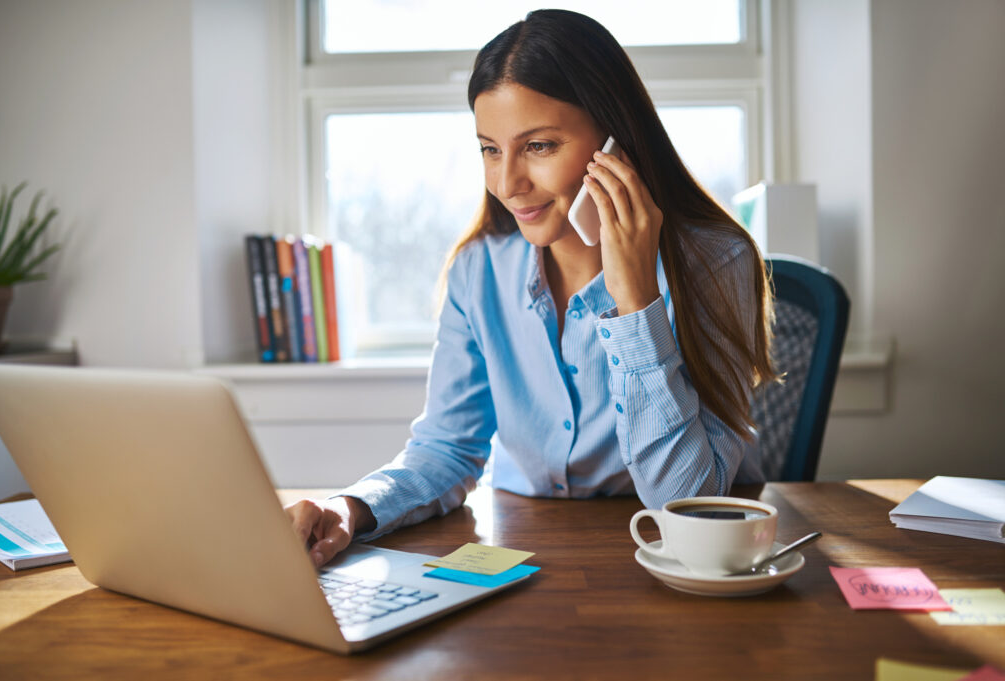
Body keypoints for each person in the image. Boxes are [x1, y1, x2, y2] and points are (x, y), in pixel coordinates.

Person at [286, 9, 776, 567]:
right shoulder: (479, 269)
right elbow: (448, 448)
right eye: (490, 149)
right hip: (524, 555)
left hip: (672, 566)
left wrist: (636, 301)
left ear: (616, 141)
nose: (507, 183)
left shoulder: (714, 262)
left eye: (539, 146)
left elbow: (685, 504)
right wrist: (350, 509)